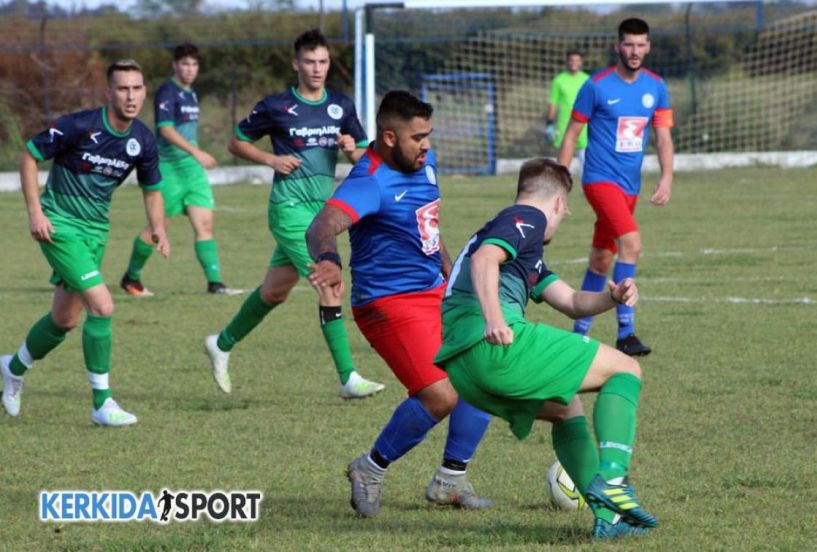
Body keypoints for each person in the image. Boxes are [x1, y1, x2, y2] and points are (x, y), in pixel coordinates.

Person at [435, 157, 657, 539]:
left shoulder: (522, 245)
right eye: (566, 210)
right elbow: (485, 258)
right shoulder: (526, 218)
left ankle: (610, 518)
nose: (564, 215)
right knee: (626, 369)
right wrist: (494, 319)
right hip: (491, 340)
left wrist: (612, 297)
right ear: (557, 203)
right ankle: (614, 480)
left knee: (565, 406)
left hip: (463, 365)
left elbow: (570, 300)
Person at [306, 90, 493, 518]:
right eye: (417, 137)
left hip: (433, 293)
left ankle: (450, 480)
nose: (426, 145)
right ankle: (369, 470)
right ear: (389, 137)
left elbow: (427, 229)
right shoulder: (369, 180)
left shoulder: (423, 164)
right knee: (439, 396)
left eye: (429, 135)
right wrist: (330, 261)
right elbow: (322, 225)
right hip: (387, 303)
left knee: (484, 371)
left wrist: (452, 279)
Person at [203, 28, 384, 399]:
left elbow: (366, 160)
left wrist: (351, 149)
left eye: (323, 62)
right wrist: (270, 158)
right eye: (309, 62)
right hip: (288, 210)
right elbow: (235, 141)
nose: (317, 69)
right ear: (296, 63)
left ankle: (221, 343)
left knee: (274, 292)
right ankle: (348, 377)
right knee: (330, 283)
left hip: (321, 215)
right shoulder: (276, 106)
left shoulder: (341, 106)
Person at [1, 60, 168, 426]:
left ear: (144, 92)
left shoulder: (143, 139)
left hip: (96, 231)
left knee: (63, 320)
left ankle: (12, 369)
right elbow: (29, 155)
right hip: (59, 225)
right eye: (122, 88)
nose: (130, 96)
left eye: (137, 88)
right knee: (103, 306)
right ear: (108, 93)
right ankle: (101, 403)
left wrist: (158, 227)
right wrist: (34, 213)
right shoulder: (79, 125)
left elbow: (152, 189)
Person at [558, 18, 674, 356]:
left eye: (641, 45)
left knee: (600, 260)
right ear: (618, 47)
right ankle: (626, 332)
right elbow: (570, 135)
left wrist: (667, 176)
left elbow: (663, 138)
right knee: (632, 244)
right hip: (599, 180)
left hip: (630, 187)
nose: (635, 51)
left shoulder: (657, 87)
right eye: (629, 45)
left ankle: (578, 335)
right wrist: (559, 186)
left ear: (648, 47)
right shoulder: (597, 86)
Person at [120, 42, 238, 297]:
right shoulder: (167, 91)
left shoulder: (191, 93)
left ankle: (215, 283)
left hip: (192, 172)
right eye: (184, 64)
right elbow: (166, 129)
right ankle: (131, 278)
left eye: (194, 64)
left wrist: (195, 157)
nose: (190, 69)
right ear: (175, 65)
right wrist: (196, 152)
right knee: (157, 226)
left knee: (205, 224)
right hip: (169, 168)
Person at [546, 50, 589, 165]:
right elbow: (553, 102)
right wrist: (549, 123)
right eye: (571, 60)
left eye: (577, 60)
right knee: (562, 165)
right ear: (567, 62)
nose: (574, 63)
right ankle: (561, 182)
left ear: (581, 62)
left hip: (584, 125)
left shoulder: (588, 80)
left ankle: (587, 183)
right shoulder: (559, 80)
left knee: (586, 162)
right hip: (564, 124)